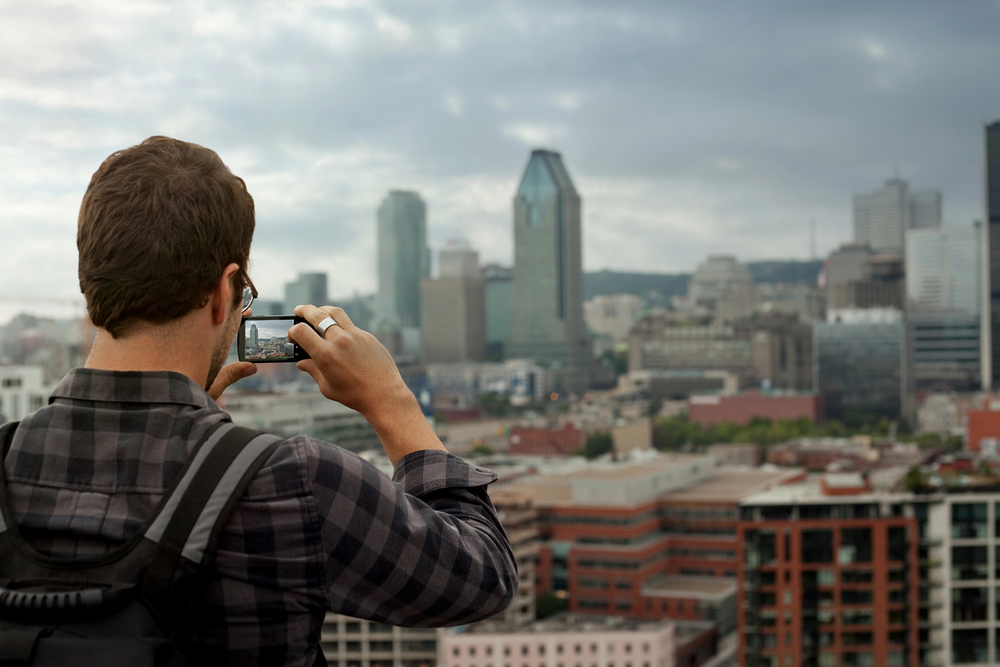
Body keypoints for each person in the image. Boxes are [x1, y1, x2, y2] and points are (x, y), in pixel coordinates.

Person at [3, 136, 517, 666]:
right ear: (225, 291)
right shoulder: (292, 482)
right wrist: (393, 402)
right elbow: (483, 575)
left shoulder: (6, 459)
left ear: (90, 281)